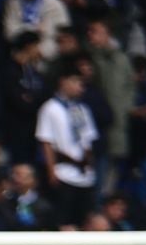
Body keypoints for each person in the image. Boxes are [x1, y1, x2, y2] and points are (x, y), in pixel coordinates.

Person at [34, 64, 98, 226]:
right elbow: (46, 141)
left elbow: (88, 141)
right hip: (63, 172)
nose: (80, 88)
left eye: (82, 84)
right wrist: (51, 172)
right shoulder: (50, 108)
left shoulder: (83, 109)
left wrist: (89, 167)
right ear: (63, 82)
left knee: (84, 220)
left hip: (84, 175)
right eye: (76, 82)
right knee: (63, 221)